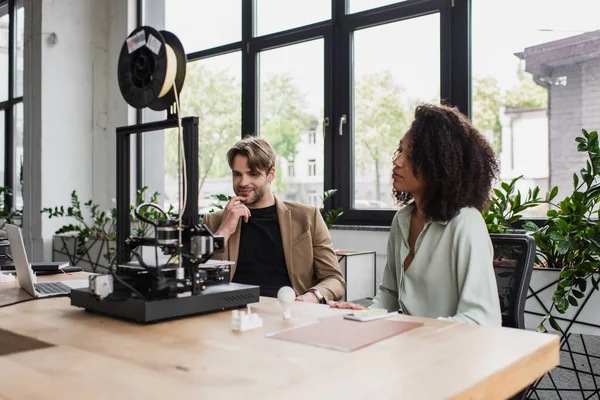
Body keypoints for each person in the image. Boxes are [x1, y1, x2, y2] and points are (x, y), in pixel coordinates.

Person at [331, 104, 502, 326]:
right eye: (399, 150)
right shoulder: (402, 219)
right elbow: (390, 293)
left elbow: (482, 319)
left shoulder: (466, 224)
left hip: (448, 352)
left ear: (439, 164)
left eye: (411, 156)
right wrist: (364, 315)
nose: (397, 161)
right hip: (408, 346)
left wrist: (414, 333)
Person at [203, 137, 345, 302]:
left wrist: (311, 297)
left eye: (253, 174)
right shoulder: (214, 221)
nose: (243, 182)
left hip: (288, 311)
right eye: (237, 174)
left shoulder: (306, 217)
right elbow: (197, 279)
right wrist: (224, 232)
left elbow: (335, 279)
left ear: (271, 174)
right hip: (231, 313)